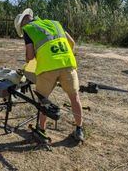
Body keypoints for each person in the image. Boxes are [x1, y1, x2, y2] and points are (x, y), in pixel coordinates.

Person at [14, 8, 84, 141]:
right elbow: (72, 43)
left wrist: (31, 61)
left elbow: (29, 56)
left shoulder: (29, 28)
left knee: (43, 100)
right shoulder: (55, 23)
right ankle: (79, 130)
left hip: (47, 68)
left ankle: (41, 130)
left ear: (22, 24)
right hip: (67, 63)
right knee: (75, 98)